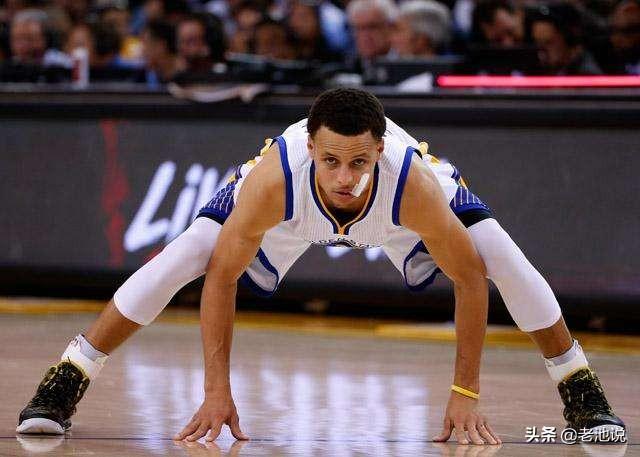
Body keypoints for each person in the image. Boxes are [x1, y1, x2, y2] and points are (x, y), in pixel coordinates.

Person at [16, 88, 625, 445]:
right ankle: (67, 379)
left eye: (358, 162)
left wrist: (464, 392)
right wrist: (216, 390)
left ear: (380, 151)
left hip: (396, 216)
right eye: (331, 160)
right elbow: (222, 279)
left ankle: (581, 391)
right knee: (188, 255)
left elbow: (468, 280)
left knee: (502, 258)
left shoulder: (413, 185)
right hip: (287, 213)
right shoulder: (272, 180)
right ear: (310, 148)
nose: (344, 177)